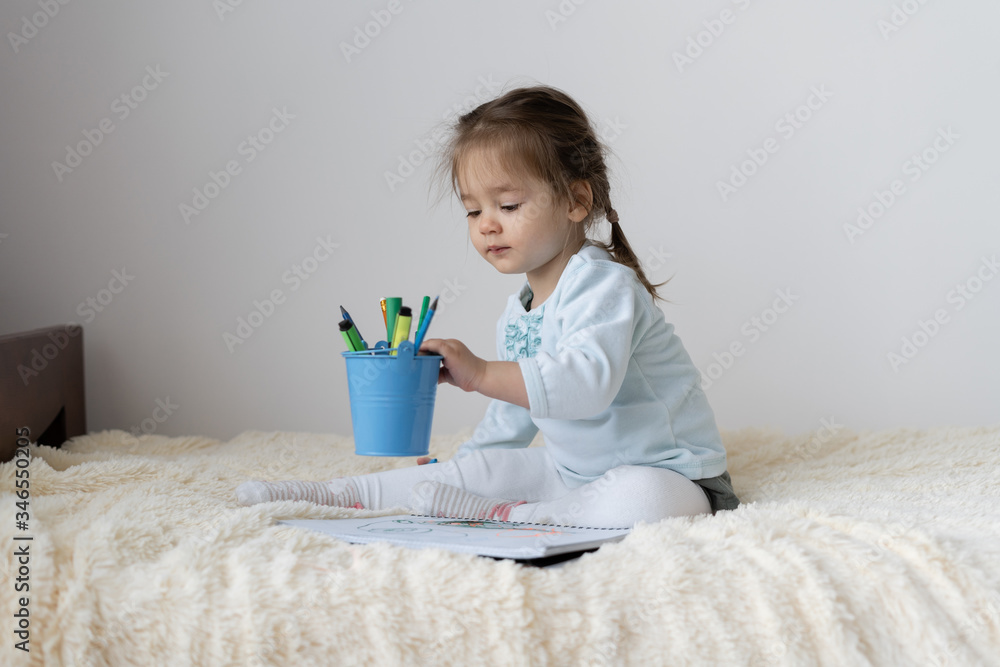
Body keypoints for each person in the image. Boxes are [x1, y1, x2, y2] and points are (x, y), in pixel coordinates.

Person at [237, 85, 739, 528]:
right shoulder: (519, 312)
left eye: (508, 205)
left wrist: (478, 373)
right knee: (481, 468)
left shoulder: (605, 285)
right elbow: (512, 417)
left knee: (643, 497)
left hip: (673, 477)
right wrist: (465, 470)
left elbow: (584, 387)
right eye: (473, 210)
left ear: (576, 201)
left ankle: (515, 517)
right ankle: (333, 493)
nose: (486, 224)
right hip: (574, 476)